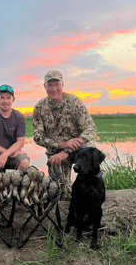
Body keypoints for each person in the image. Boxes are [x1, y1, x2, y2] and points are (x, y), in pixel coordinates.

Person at [33, 70, 97, 200]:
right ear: (44, 87)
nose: (54, 88)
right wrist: (60, 145)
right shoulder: (39, 107)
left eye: (57, 84)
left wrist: (67, 149)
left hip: (77, 148)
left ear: (62, 84)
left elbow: (90, 129)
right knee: (60, 193)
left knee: (89, 152)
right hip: (56, 154)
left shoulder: (75, 102)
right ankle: (65, 189)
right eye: (50, 85)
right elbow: (37, 137)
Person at [0, 84, 30, 172]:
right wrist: (7, 154)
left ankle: (18, 184)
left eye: (8, 98)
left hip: (11, 155)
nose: (5, 101)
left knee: (24, 162)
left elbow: (20, 142)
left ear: (13, 99)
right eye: (2, 97)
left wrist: (6, 154)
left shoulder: (19, 117)